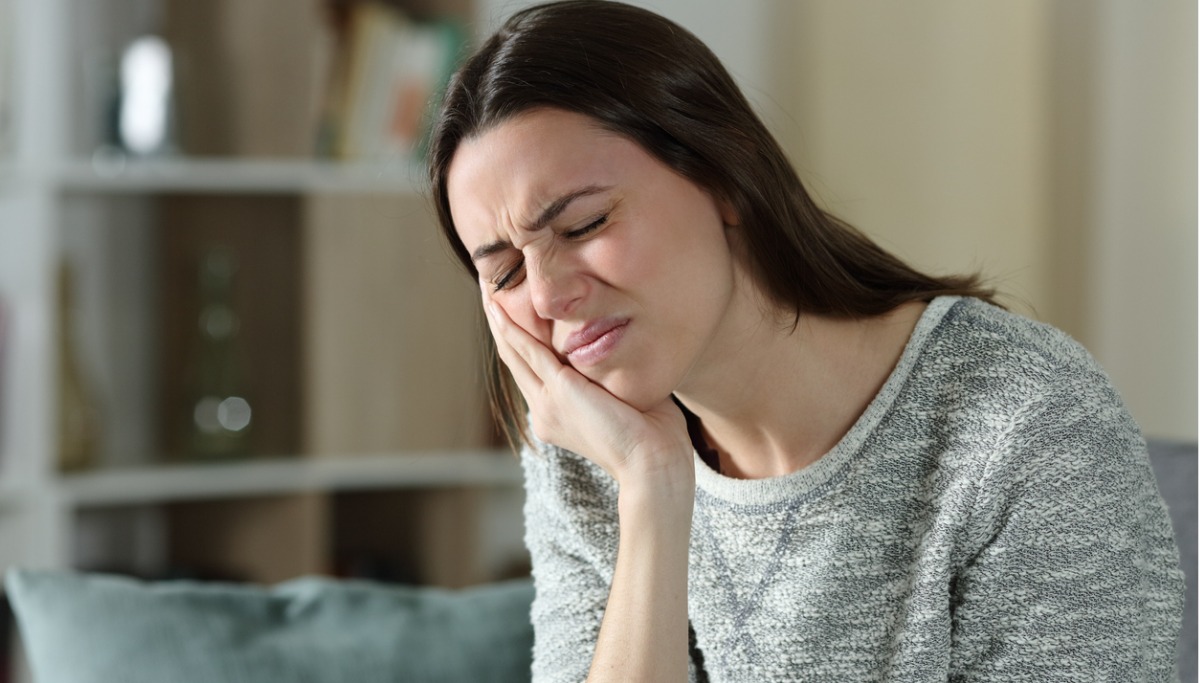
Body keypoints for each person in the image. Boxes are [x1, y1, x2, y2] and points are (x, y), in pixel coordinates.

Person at [427, 1, 1186, 680]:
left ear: (723, 175)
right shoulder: (594, 455)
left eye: (583, 224)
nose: (551, 293)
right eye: (505, 271)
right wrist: (652, 488)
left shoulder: (1026, 421)